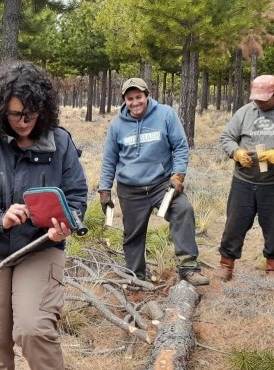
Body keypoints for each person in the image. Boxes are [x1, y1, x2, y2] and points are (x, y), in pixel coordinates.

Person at [0, 61, 88, 370]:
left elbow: (76, 198)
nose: (24, 122)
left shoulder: (60, 142)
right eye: (16, 114)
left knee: (33, 330)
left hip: (39, 249)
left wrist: (67, 224)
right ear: (0, 110)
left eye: (31, 114)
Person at [98, 77, 209, 286]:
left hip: (161, 185)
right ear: (124, 100)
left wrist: (178, 175)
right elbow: (109, 159)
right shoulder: (117, 125)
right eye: (130, 98)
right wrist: (104, 189)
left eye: (138, 97)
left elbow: (180, 147)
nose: (135, 102)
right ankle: (135, 276)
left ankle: (188, 267)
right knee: (133, 234)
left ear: (147, 96)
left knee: (183, 210)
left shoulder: (165, 114)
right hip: (130, 189)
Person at [218, 74, 274, 281]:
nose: (258, 101)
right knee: (235, 224)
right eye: (256, 97)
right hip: (243, 181)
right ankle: (226, 265)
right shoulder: (244, 112)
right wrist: (236, 153)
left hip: (271, 183)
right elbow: (226, 137)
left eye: (263, 98)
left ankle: (271, 268)